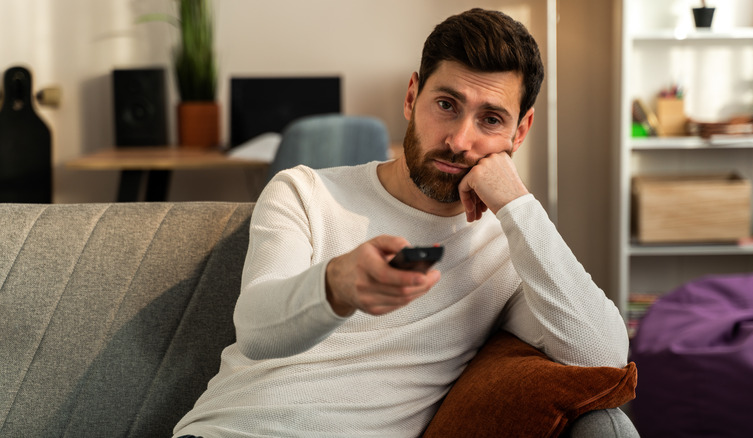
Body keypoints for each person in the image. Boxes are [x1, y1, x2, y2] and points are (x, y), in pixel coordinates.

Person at [174, 8, 629, 438]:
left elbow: (602, 354)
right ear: (412, 96)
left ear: (521, 131)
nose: (459, 141)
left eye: (490, 120)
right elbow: (256, 332)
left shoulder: (510, 252)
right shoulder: (305, 191)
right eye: (447, 104)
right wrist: (337, 285)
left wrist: (518, 204)